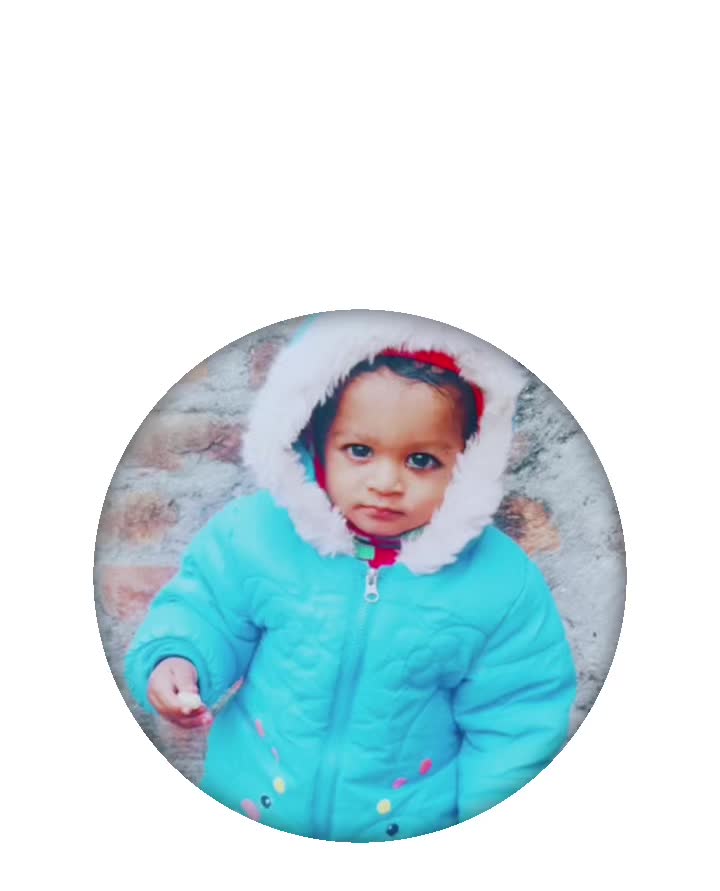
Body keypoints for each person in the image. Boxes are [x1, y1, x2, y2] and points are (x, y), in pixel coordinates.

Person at [125, 310, 577, 842]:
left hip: (406, 825)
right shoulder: (255, 537)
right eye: (360, 451)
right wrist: (178, 660)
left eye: (422, 460)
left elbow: (516, 721)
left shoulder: (499, 584)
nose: (386, 482)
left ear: (468, 462)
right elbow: (206, 612)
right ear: (313, 444)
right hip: (253, 802)